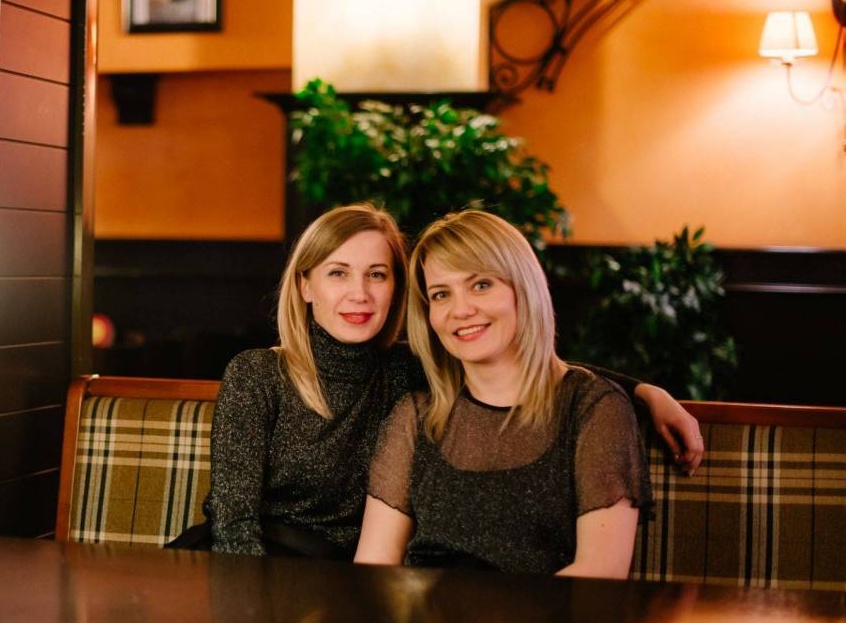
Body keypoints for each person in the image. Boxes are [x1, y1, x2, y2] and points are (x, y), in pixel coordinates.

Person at [172, 203, 699, 560]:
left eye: (377, 274)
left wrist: (642, 392)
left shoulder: (408, 369)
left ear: (399, 290)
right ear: (305, 286)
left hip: (345, 581)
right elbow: (234, 524)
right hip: (250, 567)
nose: (359, 293)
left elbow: (519, 359)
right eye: (338, 273)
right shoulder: (258, 373)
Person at [354, 211, 652, 578]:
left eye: (481, 285)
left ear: (522, 288)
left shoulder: (592, 408)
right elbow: (373, 570)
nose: (461, 310)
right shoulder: (415, 416)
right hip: (424, 612)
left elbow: (601, 572)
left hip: (545, 612)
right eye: (441, 294)